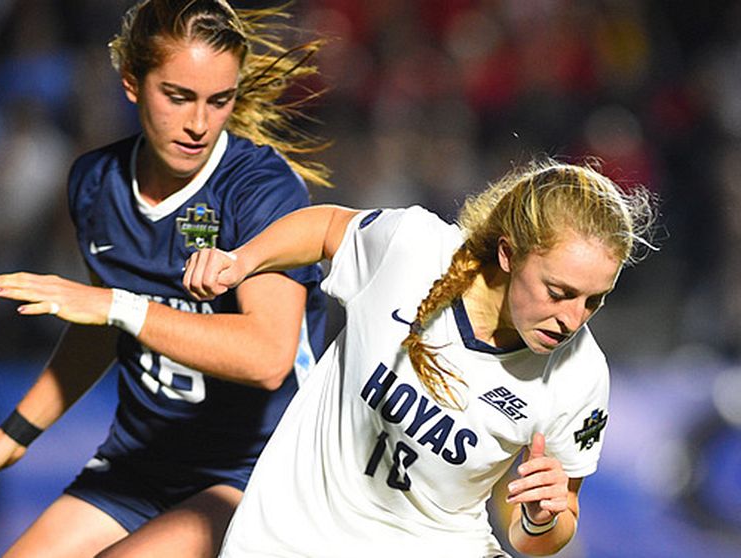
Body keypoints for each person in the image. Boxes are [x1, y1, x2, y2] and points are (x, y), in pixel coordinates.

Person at [0, 1, 329, 556]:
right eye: (178, 96)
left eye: (218, 100)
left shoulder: (260, 189)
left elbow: (267, 355)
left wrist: (118, 305)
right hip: (143, 461)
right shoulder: (95, 183)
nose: (199, 124)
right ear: (132, 83)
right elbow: (103, 328)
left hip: (254, 469)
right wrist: (13, 438)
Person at [183, 160, 656, 557]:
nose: (573, 319)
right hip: (292, 541)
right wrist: (243, 261)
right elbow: (328, 228)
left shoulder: (582, 375)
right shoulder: (411, 249)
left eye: (595, 300)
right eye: (559, 292)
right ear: (509, 254)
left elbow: (541, 535)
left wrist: (541, 518)